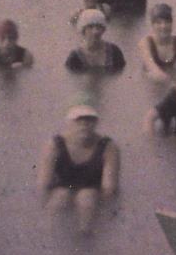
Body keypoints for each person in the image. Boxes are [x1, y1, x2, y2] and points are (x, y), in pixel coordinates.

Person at [37, 99, 120, 234]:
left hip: (93, 189)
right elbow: (43, 183)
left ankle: (86, 238)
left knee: (86, 198)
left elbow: (109, 189)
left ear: (96, 122)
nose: (84, 124)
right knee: (60, 197)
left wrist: (106, 212)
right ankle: (48, 236)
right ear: (69, 122)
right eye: (79, 120)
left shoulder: (108, 147)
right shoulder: (54, 145)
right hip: (63, 186)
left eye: (89, 120)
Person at [137, 3, 176, 84]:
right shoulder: (145, 43)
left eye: (167, 22)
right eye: (158, 23)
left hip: (174, 83)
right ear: (152, 25)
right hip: (153, 86)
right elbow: (153, 69)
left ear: (172, 23)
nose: (163, 26)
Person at [65, 9, 126, 74]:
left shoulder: (114, 51)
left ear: (103, 30)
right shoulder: (75, 57)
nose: (95, 32)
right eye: (90, 27)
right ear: (83, 30)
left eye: (99, 27)